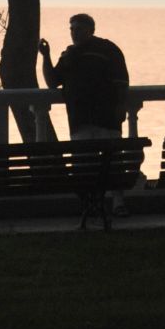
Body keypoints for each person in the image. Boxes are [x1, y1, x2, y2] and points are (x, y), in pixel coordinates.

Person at [40, 13, 132, 214]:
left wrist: (121, 106)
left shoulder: (108, 50)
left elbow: (122, 82)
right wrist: (46, 56)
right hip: (80, 119)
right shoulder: (69, 54)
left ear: (91, 30)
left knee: (113, 162)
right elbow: (53, 81)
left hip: (107, 118)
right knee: (84, 165)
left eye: (79, 29)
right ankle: (90, 203)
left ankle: (118, 202)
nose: (74, 33)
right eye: (72, 29)